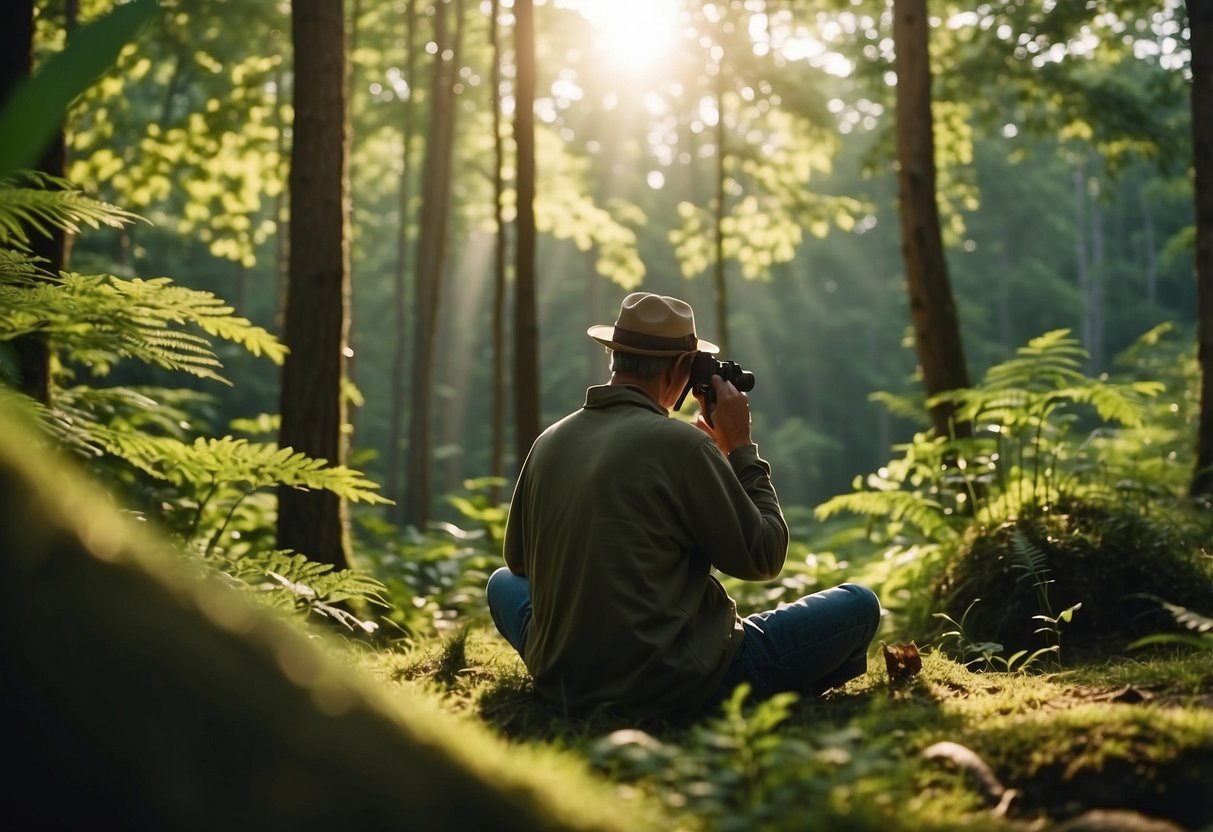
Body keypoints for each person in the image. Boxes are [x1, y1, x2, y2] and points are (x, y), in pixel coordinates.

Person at [486, 291, 880, 716]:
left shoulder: (550, 441)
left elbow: (519, 562)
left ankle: (584, 675)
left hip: (562, 678)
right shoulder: (684, 446)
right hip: (674, 682)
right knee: (858, 606)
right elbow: (765, 557)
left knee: (502, 583)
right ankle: (762, 692)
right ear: (680, 368)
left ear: (614, 356)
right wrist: (740, 449)